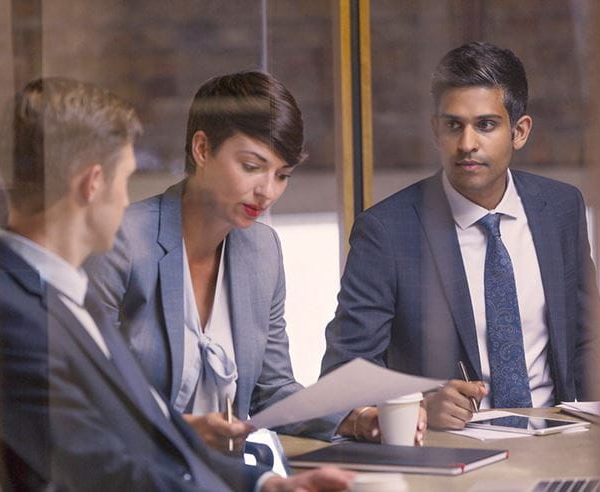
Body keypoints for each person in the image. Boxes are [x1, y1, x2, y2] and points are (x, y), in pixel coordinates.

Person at [0, 76, 354, 491]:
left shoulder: (62, 292)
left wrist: (264, 484)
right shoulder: (12, 308)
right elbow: (106, 465)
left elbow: (141, 433)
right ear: (92, 184)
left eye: (282, 174)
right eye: (125, 181)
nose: (127, 201)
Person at [84, 70, 426, 449]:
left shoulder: (262, 251)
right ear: (201, 150)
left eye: (282, 175)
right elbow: (89, 400)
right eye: (251, 167)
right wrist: (181, 432)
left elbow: (272, 391)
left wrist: (355, 418)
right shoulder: (121, 241)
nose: (267, 192)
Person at [321, 42, 599, 432]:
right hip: (452, 451)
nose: (467, 144)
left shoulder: (561, 209)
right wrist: (417, 406)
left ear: (519, 132)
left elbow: (588, 342)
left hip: (561, 437)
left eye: (486, 125)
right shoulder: (386, 230)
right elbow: (343, 375)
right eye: (454, 125)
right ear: (435, 131)